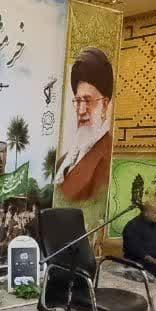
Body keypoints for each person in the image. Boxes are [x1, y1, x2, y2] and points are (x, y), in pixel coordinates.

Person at [55, 48, 113, 201]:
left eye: (88, 101)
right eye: (78, 101)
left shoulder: (108, 159)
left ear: (104, 105)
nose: (81, 111)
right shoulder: (63, 162)